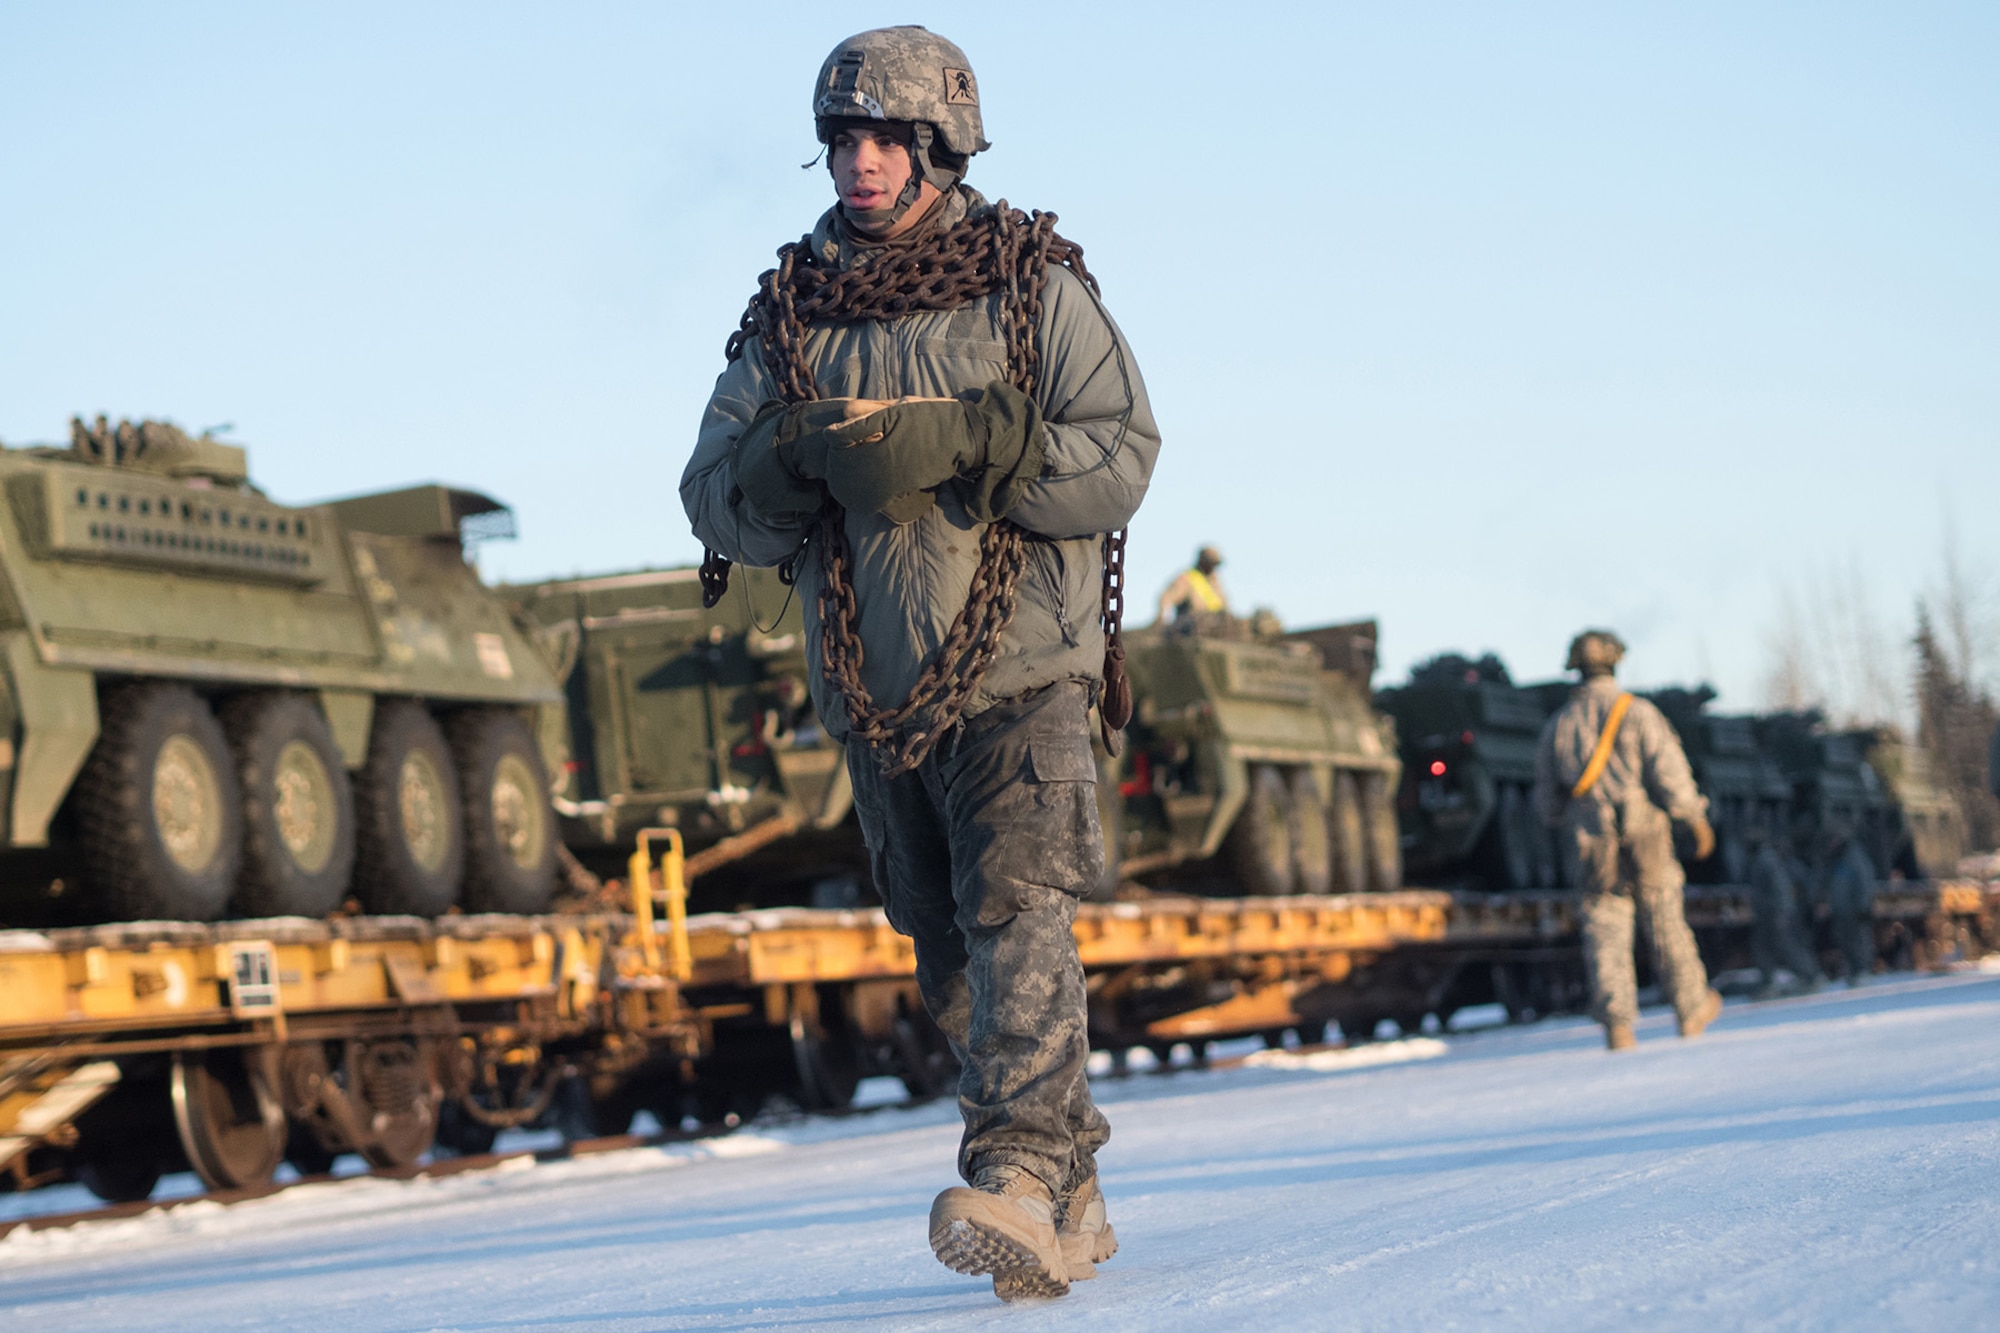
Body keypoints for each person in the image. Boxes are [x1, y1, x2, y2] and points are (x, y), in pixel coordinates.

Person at [680, 27, 1158, 1302]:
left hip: (1019, 677)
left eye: (885, 137)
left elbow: (1120, 450)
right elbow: (710, 494)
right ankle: (1069, 1189)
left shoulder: (1026, 281)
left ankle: (1010, 1177)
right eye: (842, 139)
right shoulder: (787, 310)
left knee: (1017, 919)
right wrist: (783, 468)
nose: (861, 160)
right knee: (947, 953)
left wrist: (982, 444)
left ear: (939, 143)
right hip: (879, 697)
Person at [1531, 629, 1724, 1051]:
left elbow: (1546, 803)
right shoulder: (1637, 712)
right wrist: (1693, 816)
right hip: (1646, 831)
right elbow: (1668, 771)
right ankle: (1691, 1010)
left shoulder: (1559, 725)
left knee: (1605, 930)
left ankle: (1618, 1026)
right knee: (1665, 922)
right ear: (1615, 662)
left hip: (1593, 841)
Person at [1747, 826, 1822, 998]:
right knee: (1764, 948)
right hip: (1769, 914)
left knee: (1786, 946)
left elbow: (1781, 888)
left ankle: (1810, 976)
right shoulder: (1762, 859)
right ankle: (1770, 982)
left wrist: (1781, 913)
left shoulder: (1766, 860)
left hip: (1775, 914)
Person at [1822, 824, 1877, 985]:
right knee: (1845, 941)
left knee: (1859, 940)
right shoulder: (1835, 860)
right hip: (1841, 911)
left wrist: (1863, 905)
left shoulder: (1855, 858)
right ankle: (1854, 970)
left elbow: (1864, 883)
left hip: (1855, 910)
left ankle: (1863, 970)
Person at [1157, 545, 1228, 624]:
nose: (1213, 568)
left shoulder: (1215, 581)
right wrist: (1161, 619)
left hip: (1216, 626)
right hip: (1191, 626)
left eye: (1215, 565)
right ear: (1202, 561)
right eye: (1211, 564)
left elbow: (1224, 605)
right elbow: (1166, 598)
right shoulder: (1187, 578)